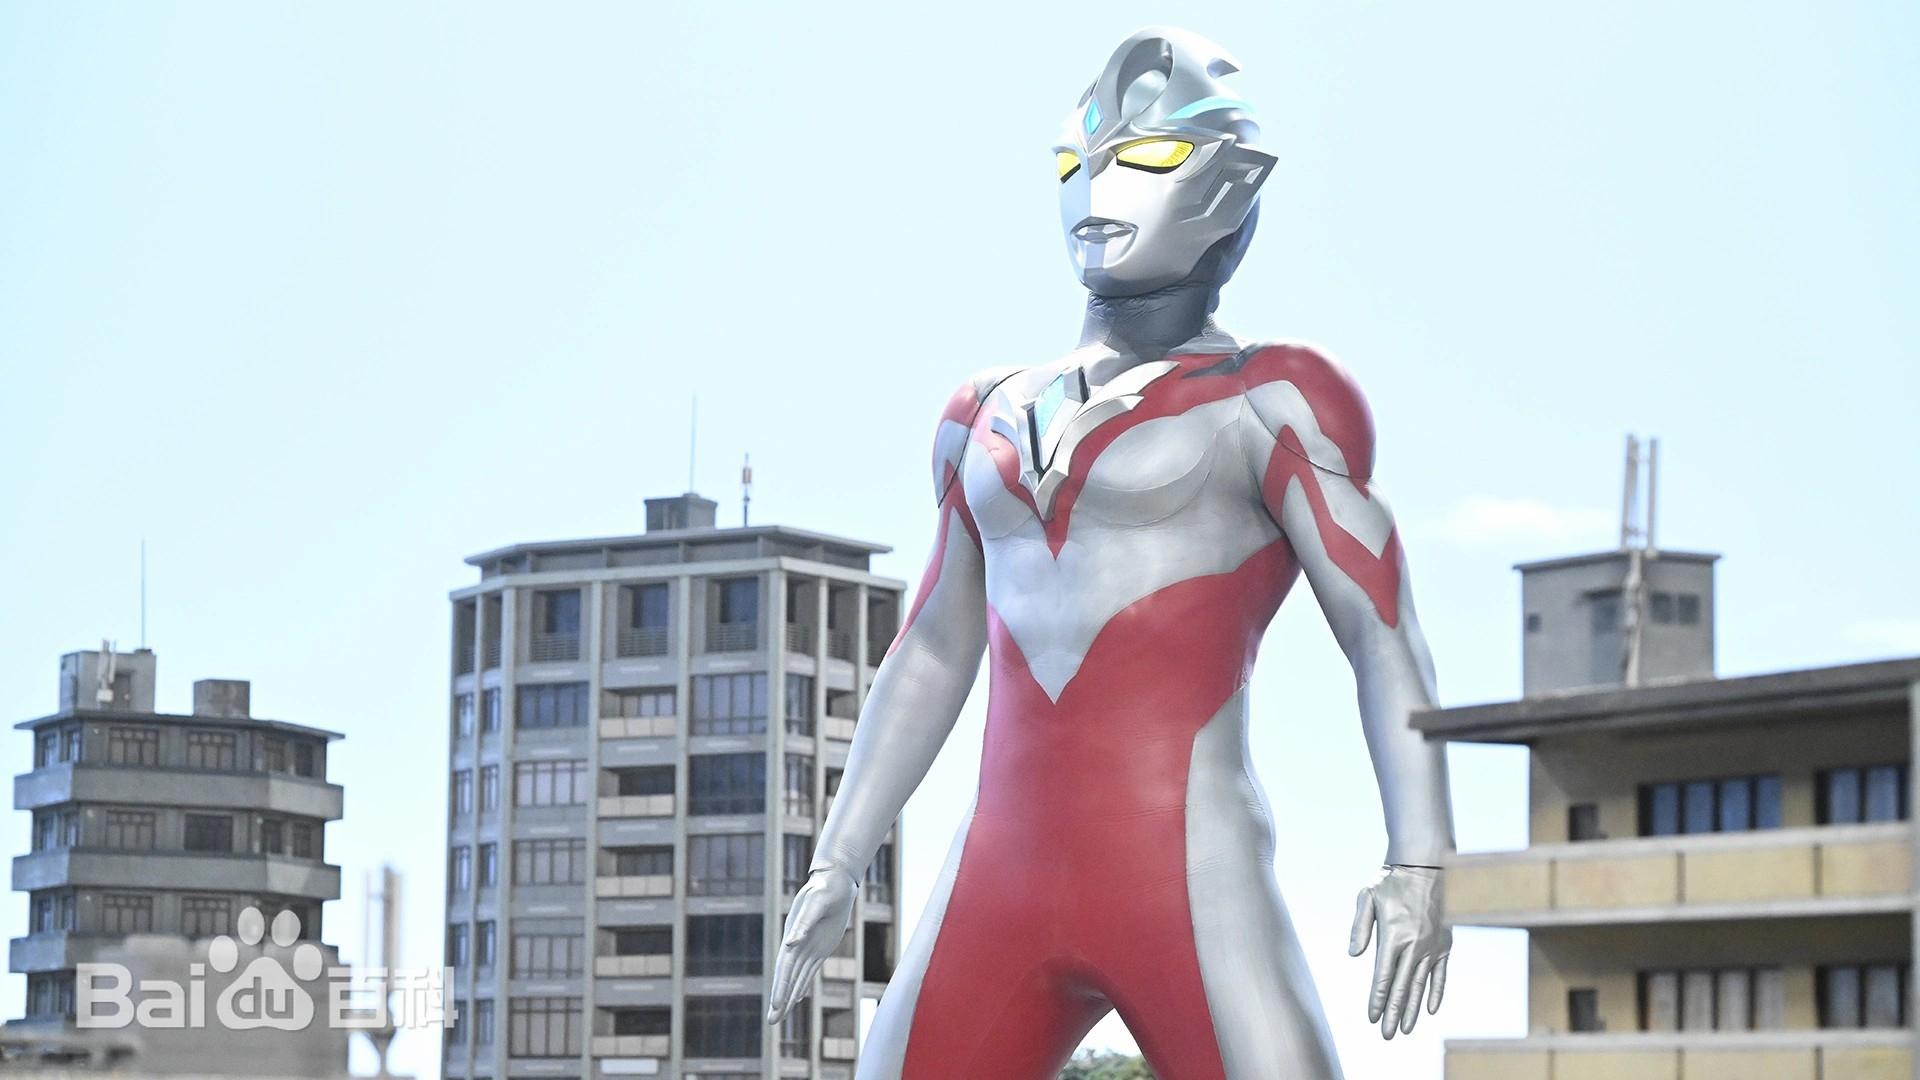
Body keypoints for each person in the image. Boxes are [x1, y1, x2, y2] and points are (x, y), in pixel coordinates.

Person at [768, 26, 1456, 1079]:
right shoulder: (983, 411)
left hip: (1189, 874)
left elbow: (1381, 632)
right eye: (1076, 159)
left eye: (1148, 155)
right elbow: (934, 647)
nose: (1099, 186)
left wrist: (1421, 858)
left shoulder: (1272, 401)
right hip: (996, 875)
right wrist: (839, 855)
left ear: (1230, 183)